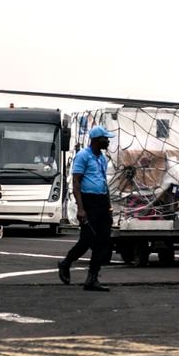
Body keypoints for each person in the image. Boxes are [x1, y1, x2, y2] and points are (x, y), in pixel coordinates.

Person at [58, 125, 116, 291]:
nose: (108, 141)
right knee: (87, 240)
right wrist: (81, 208)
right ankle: (66, 262)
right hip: (88, 201)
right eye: (106, 139)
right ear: (97, 140)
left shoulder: (102, 158)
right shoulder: (83, 156)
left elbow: (103, 182)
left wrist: (109, 204)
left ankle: (92, 278)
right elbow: (76, 182)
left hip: (102, 201)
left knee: (103, 241)